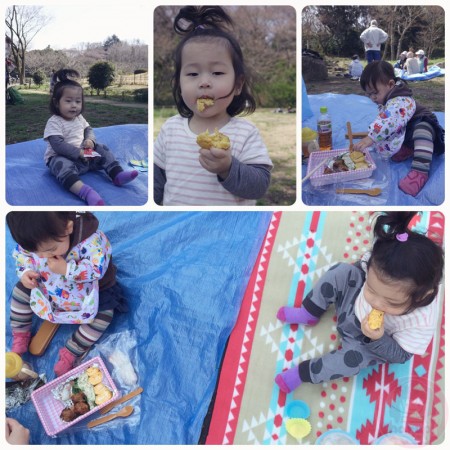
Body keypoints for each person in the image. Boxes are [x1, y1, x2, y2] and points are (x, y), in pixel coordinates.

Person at [274, 211, 444, 393]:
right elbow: (360, 268)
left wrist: (376, 338)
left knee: (352, 360)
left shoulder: (421, 321)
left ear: (420, 296)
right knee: (342, 271)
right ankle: (310, 311)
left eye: (391, 302)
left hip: (367, 340)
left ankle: (303, 373)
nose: (376, 303)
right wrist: (358, 281)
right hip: (351, 303)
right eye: (372, 289)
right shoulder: (377, 261)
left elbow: (401, 356)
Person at [154, 6, 273, 206]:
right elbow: (157, 185)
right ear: (179, 85)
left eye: (217, 73)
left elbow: (259, 186)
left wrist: (227, 168)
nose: (204, 82)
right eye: (193, 74)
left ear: (237, 85)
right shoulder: (170, 129)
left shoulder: (245, 133)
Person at [6, 211, 128, 376]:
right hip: (48, 284)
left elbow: (96, 270)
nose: (42, 256)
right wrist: (26, 271)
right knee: (20, 290)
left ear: (68, 228)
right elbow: (22, 255)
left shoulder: (92, 241)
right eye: (35, 251)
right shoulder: (34, 242)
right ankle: (20, 334)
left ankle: (72, 351)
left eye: (50, 250)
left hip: (89, 290)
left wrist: (67, 269)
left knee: (104, 314)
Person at [44, 69, 138, 206]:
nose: (74, 105)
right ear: (57, 102)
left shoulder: (79, 118)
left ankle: (116, 173)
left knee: (101, 148)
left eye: (78, 101)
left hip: (84, 158)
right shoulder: (54, 122)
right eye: (68, 101)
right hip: (63, 157)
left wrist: (90, 140)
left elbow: (88, 129)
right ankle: (86, 193)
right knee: (60, 164)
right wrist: (79, 153)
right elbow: (58, 145)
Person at [352, 61, 444, 196]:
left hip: (427, 129)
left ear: (390, 84)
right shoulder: (387, 99)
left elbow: (388, 121)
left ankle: (420, 172)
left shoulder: (401, 99)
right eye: (369, 95)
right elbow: (391, 126)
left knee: (422, 129)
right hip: (407, 131)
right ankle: (408, 148)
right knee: (393, 141)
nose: (372, 98)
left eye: (374, 93)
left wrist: (371, 137)